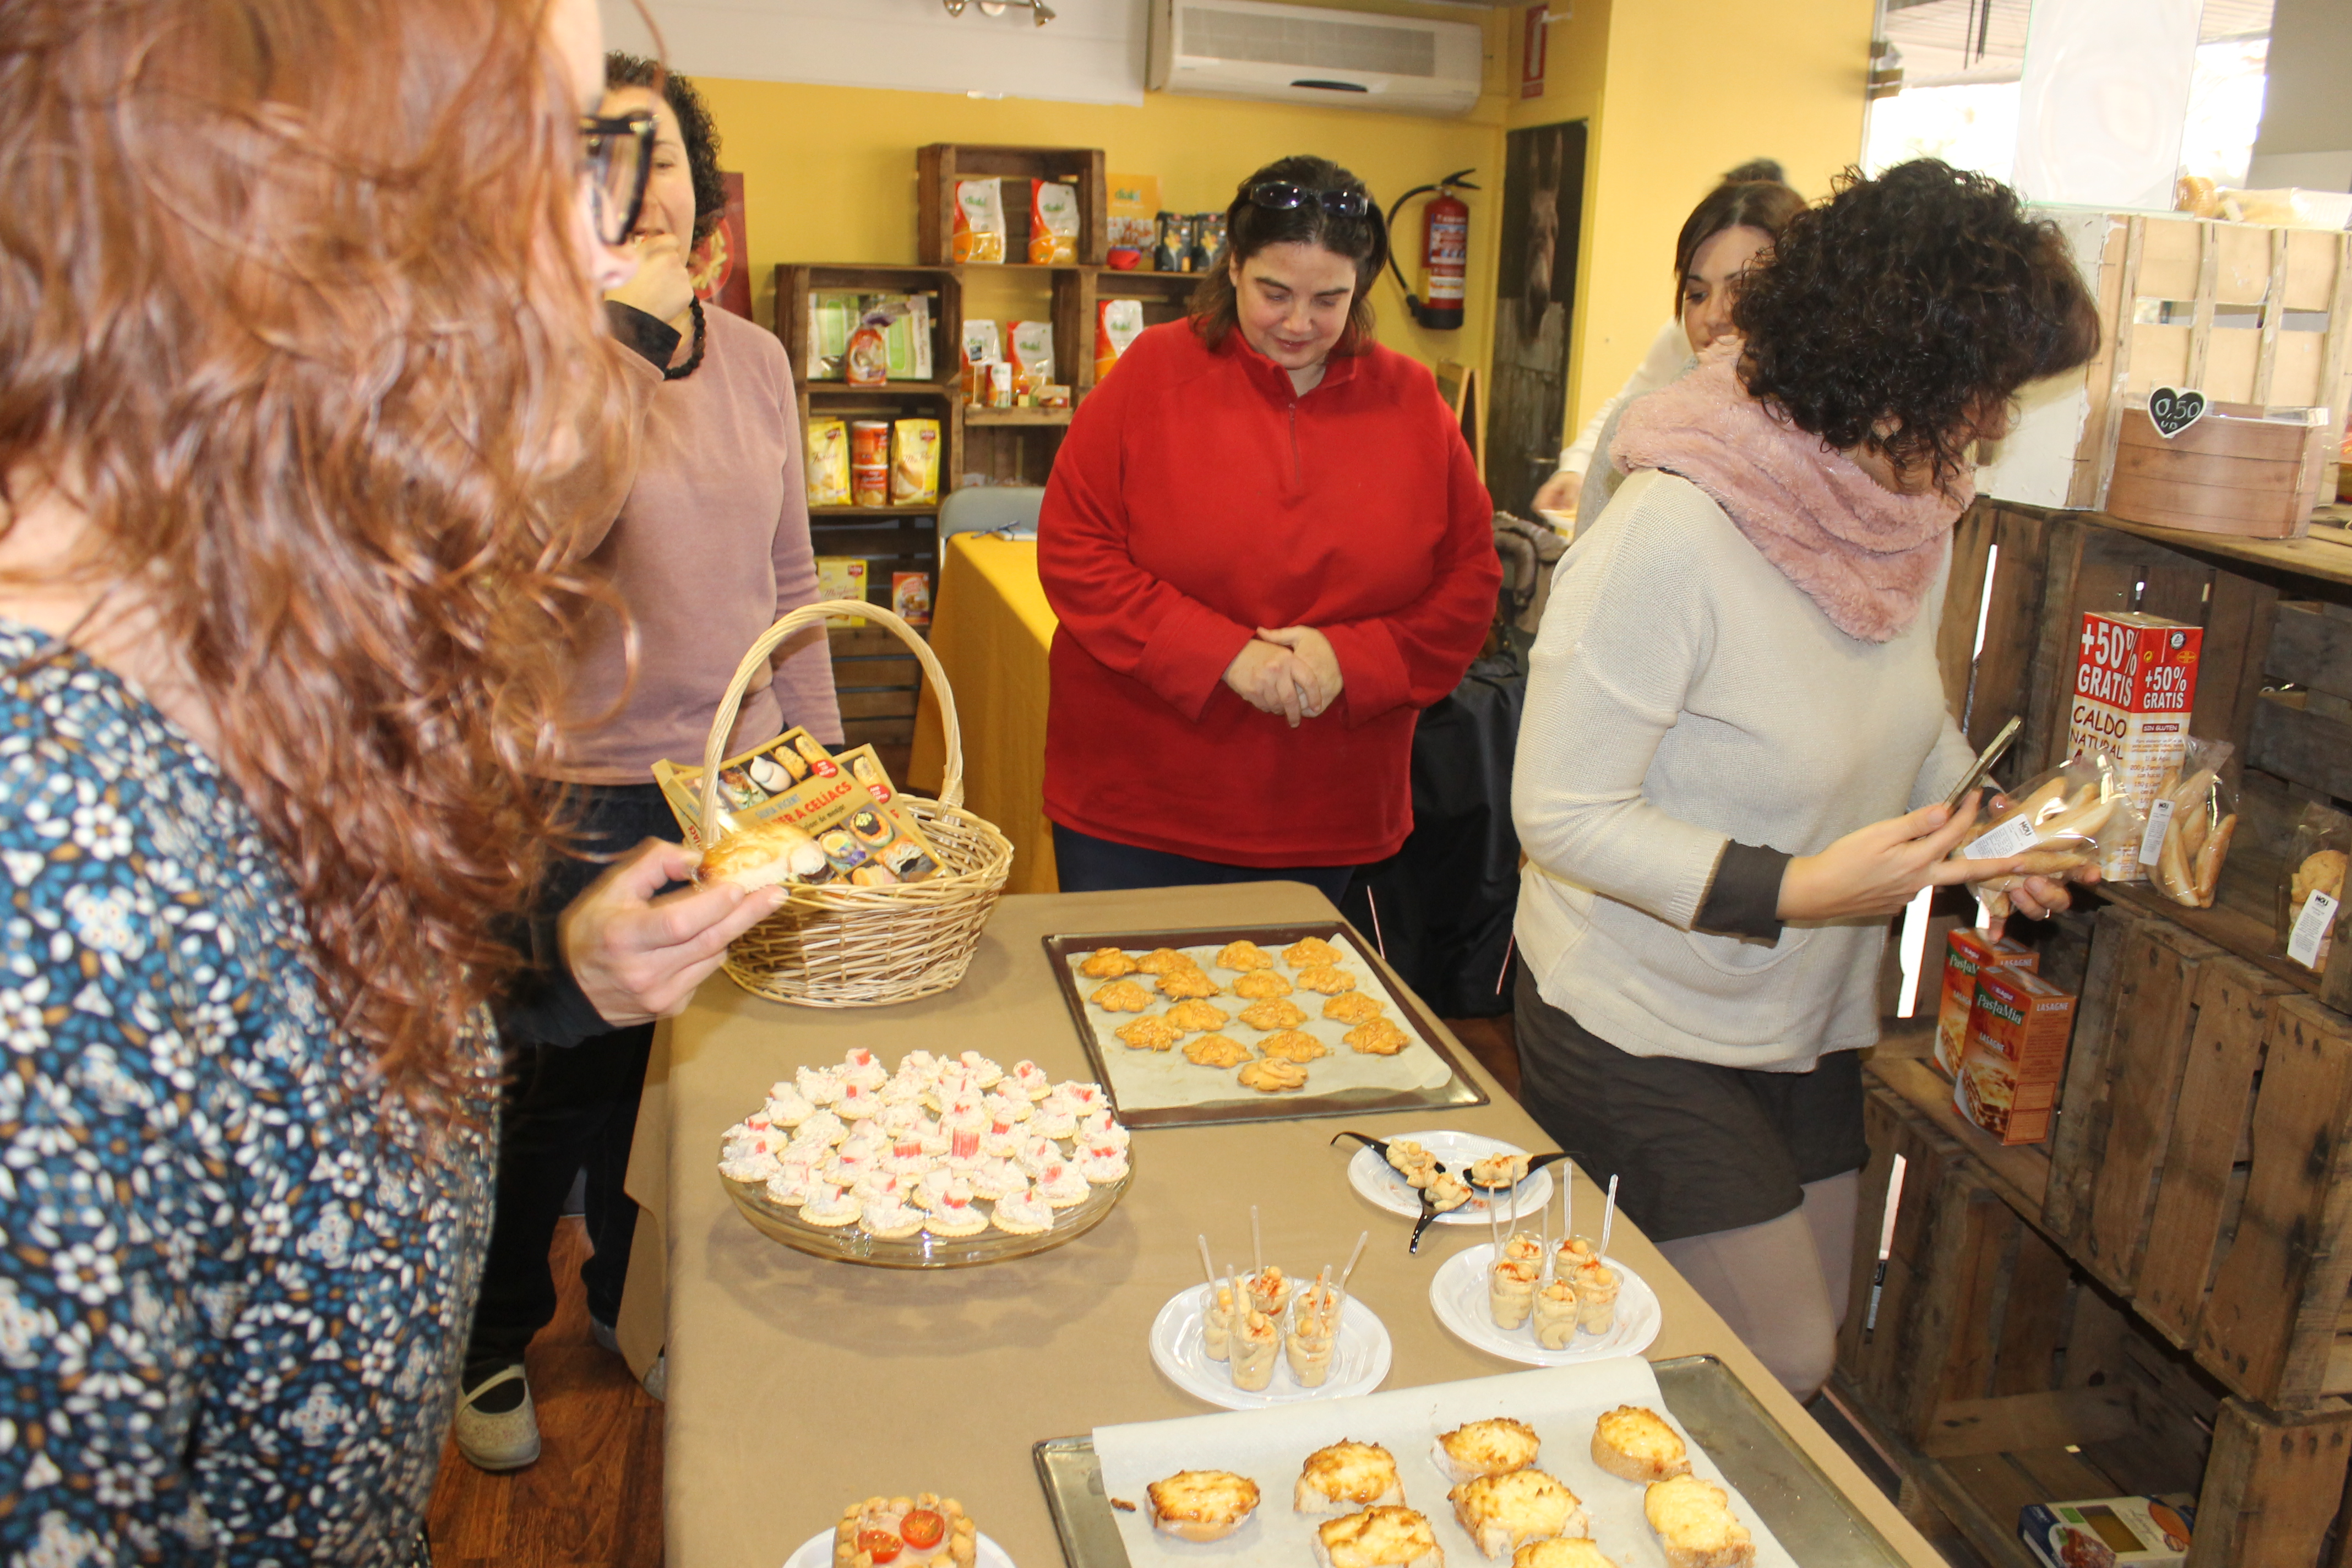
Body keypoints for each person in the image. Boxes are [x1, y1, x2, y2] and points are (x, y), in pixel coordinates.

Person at [0, 0, 782, 1553]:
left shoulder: (272, 648)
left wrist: (556, 965)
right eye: (558, 163)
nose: (605, 258)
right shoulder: (54, 867)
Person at [1509, 160, 2101, 1401]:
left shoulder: (1900, 511)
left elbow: (1903, 721)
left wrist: (1989, 828)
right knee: (1775, 1351)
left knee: (1813, 1324)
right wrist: (1800, 888)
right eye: (1985, 391)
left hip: (1801, 1007)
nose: (1993, 428)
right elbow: (1560, 813)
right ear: (1896, 364)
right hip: (1635, 1012)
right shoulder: (1674, 527)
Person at [453, 56, 842, 1472]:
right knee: (538, 1087)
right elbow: (525, 550)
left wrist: (830, 770)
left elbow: (790, 580)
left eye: (659, 155)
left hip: (731, 786)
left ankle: (633, 1299)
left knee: (673, 1087)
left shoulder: (759, 358)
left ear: (700, 182)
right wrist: (620, 332)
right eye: (598, 158)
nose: (637, 186)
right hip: (566, 787)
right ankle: (491, 1340)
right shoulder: (526, 358)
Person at [1037, 155, 1500, 901]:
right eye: (1274, 292)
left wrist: (1352, 660)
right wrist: (1224, 656)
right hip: (1137, 802)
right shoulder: (1152, 372)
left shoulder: (1414, 402)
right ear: (1233, 266)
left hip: (1327, 806)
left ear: (1362, 288)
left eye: (1329, 299)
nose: (1298, 323)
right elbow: (1076, 552)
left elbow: (1470, 583)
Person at [1531, 159, 1796, 521]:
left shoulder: (1829, 431)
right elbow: (1628, 406)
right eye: (1697, 295)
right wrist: (1576, 469)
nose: (1715, 317)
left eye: (1743, 290)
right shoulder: (1678, 354)